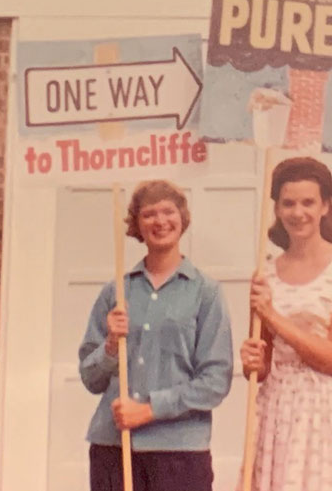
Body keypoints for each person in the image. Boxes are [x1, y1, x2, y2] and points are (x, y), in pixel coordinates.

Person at [240, 156, 332, 491]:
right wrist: (252, 362)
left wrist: (273, 316)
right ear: (276, 208)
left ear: (326, 207)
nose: (297, 212)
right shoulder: (266, 275)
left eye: (308, 202)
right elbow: (260, 369)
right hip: (279, 408)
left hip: (330, 408)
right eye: (288, 203)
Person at [79, 179, 233, 491]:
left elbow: (215, 382)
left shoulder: (206, 292)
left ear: (183, 218)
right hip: (113, 446)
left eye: (168, 211)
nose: (160, 221)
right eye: (149, 214)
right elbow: (90, 378)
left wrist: (148, 410)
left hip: (179, 453)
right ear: (136, 224)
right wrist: (110, 346)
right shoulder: (117, 291)